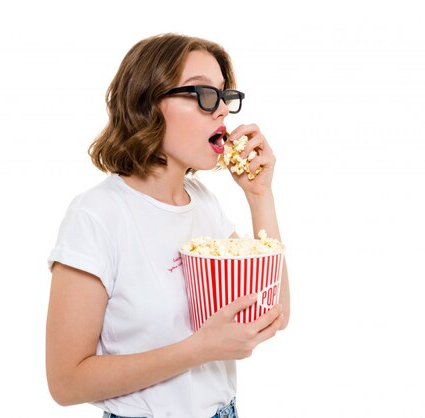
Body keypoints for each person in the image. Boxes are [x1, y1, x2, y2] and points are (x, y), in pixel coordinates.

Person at [45, 33, 290, 418]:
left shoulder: (205, 205)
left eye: (225, 97)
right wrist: (199, 349)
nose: (224, 111)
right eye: (205, 94)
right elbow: (66, 382)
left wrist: (260, 196)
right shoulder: (96, 216)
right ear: (148, 104)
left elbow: (273, 311)